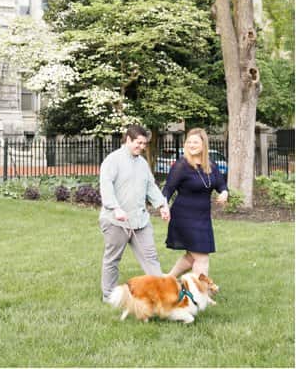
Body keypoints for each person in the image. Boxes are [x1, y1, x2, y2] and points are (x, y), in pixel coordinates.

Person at [98, 124, 170, 300]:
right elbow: (106, 186)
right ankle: (109, 296)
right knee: (113, 259)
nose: (142, 147)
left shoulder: (142, 163)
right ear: (128, 139)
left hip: (140, 221)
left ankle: (162, 294)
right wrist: (115, 208)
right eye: (138, 143)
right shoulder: (112, 160)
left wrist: (162, 205)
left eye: (144, 144)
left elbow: (150, 187)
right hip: (116, 221)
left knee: (150, 257)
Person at [163, 128, 228, 279]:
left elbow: (221, 185)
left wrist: (224, 193)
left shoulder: (210, 165)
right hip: (184, 217)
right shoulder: (181, 165)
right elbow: (168, 189)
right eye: (189, 142)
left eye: (195, 142)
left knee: (192, 256)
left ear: (203, 144)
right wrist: (164, 206)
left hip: (203, 218)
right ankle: (201, 293)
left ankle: (168, 279)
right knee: (202, 257)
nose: (191, 145)